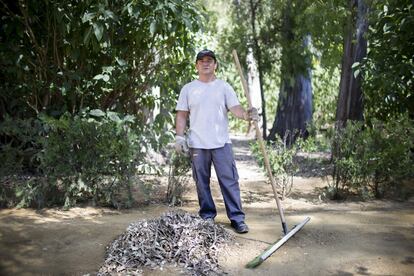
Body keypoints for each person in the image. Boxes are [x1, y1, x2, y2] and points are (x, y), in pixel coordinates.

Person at [175, 49, 258, 234]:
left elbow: (235, 108)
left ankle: (237, 218)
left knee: (229, 181)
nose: (206, 63)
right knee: (201, 182)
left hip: (221, 143)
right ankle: (207, 217)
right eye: (202, 61)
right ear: (196, 65)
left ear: (215, 65)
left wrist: (247, 115)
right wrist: (179, 137)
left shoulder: (224, 87)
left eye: (210, 60)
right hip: (197, 144)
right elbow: (181, 115)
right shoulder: (188, 89)